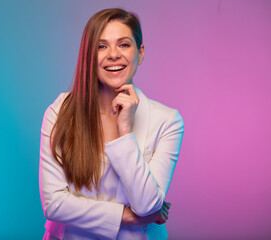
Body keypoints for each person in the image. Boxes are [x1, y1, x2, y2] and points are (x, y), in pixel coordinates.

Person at [39, 8, 184, 240]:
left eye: (124, 44)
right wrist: (125, 216)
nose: (113, 54)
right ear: (89, 56)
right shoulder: (60, 111)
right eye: (101, 46)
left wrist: (124, 131)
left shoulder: (167, 121)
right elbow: (54, 204)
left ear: (141, 52)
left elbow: (148, 206)